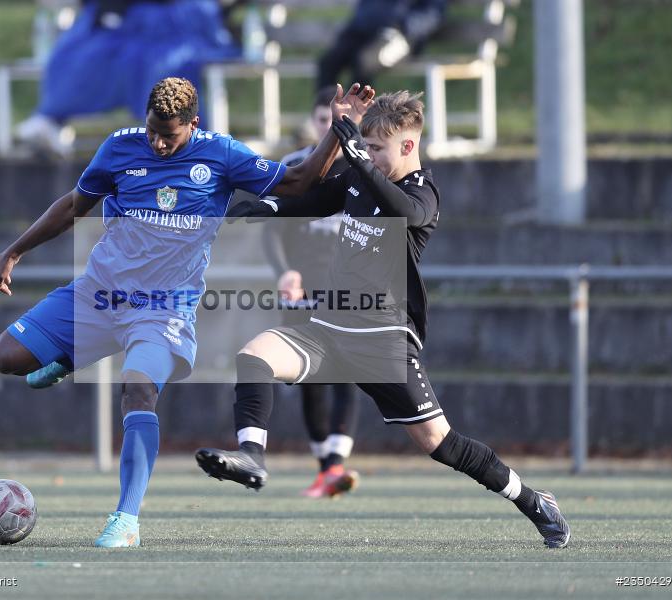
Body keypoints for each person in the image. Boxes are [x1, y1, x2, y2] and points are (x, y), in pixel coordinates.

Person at [0, 77, 376, 547]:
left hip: (163, 310)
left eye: (168, 136)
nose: (157, 143)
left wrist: (338, 129)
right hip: (99, 294)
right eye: (152, 131)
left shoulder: (222, 154)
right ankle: (69, 357)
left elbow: (298, 181)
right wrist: (14, 251)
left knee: (138, 394)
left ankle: (126, 520)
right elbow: (73, 206)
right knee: (5, 357)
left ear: (193, 124)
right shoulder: (119, 149)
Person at [195, 91, 571, 548]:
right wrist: (263, 209)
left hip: (383, 340)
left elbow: (402, 211)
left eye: (378, 149)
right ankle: (252, 457)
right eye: (367, 146)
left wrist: (357, 153)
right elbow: (312, 202)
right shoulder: (359, 177)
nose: (368, 155)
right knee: (255, 355)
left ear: (408, 148)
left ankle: (534, 502)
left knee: (439, 442)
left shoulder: (422, 194)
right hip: (329, 328)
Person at [261, 86, 362, 498]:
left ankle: (334, 466)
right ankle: (327, 466)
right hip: (301, 286)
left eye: (338, 120)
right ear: (315, 122)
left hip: (349, 287)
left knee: (348, 373)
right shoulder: (294, 166)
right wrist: (285, 271)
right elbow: (271, 229)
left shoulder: (365, 166)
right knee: (309, 374)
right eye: (324, 120)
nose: (331, 127)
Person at [17, 0, 240, 156]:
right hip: (124, 17)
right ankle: (51, 117)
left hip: (177, 19)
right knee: (81, 53)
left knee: (162, 62)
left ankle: (186, 141)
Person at [316, 0, 447, 90]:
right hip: (363, 33)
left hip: (401, 37)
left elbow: (432, 14)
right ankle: (325, 117)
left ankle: (354, 120)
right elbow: (365, 9)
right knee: (328, 62)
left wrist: (403, 27)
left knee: (365, 62)